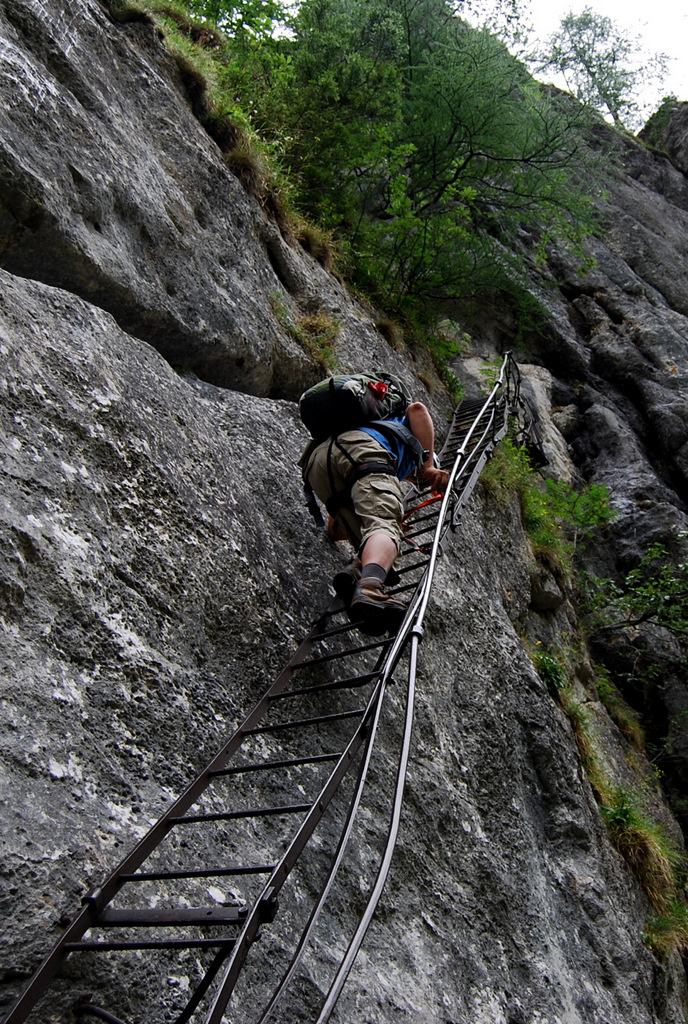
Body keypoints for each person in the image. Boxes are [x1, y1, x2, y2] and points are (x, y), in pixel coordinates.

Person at [301, 398, 450, 634]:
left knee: (370, 530)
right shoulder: (402, 439)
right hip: (361, 450)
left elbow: (334, 530)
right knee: (386, 526)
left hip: (317, 464)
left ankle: (357, 571)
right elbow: (418, 408)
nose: (415, 479)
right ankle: (369, 588)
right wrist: (429, 465)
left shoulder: (369, 428)